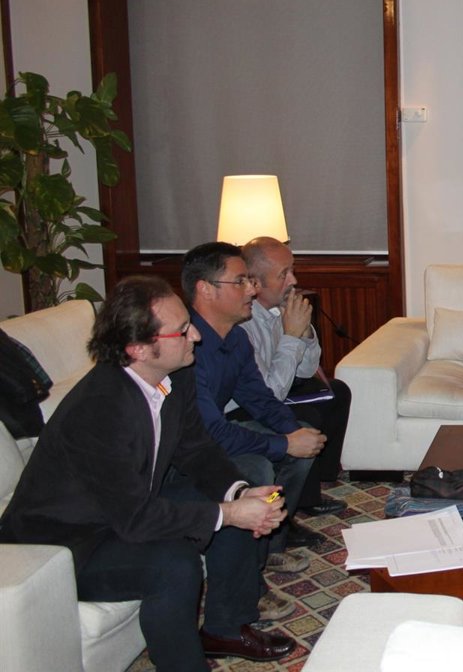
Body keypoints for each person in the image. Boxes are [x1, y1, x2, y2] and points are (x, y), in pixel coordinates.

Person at [0, 276, 294, 670]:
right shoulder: (99, 410)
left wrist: (238, 494)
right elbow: (135, 519)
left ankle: (225, 628)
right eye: (182, 330)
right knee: (174, 565)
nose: (196, 336)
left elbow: (196, 449)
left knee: (234, 500)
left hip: (120, 511)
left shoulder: (175, 374)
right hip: (64, 545)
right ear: (138, 348)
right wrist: (229, 513)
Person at [182, 241, 327, 604]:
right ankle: (248, 588)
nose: (251, 289)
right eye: (241, 282)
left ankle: (271, 547)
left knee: (299, 450)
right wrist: (284, 443)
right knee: (258, 468)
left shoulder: (233, 337)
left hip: (214, 433)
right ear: (205, 289)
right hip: (185, 451)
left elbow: (259, 397)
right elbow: (210, 431)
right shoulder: (187, 346)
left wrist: (292, 430)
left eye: (250, 280)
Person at [241, 236, 349, 517]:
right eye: (283, 274)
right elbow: (268, 395)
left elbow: (305, 370)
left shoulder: (278, 309)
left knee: (337, 392)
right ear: (255, 282)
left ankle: (321, 480)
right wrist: (291, 335)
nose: (293, 280)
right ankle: (302, 501)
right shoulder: (244, 322)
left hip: (277, 386)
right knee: (306, 416)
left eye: (292, 270)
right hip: (247, 405)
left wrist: (305, 332)